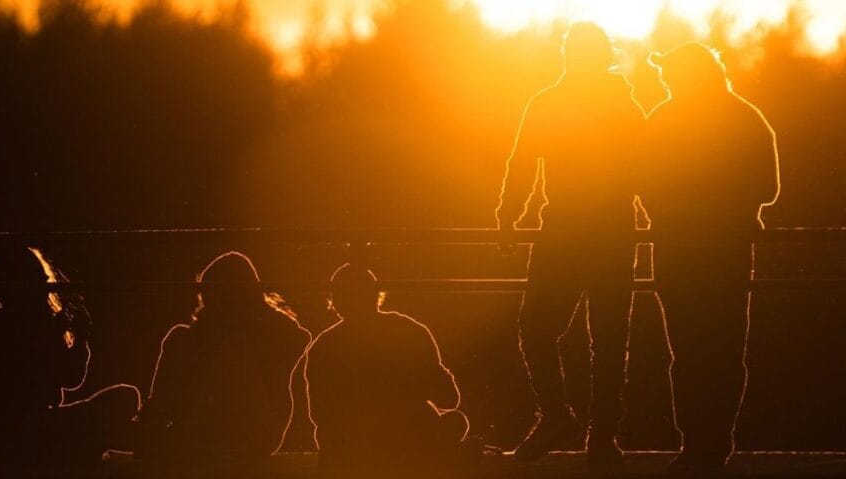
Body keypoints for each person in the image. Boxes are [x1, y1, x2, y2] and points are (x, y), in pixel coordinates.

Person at [494, 22, 645, 463]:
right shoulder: (622, 104)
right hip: (610, 231)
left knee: (539, 328)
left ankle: (563, 419)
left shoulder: (550, 102)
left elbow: (522, 163)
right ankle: (599, 436)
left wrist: (508, 218)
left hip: (568, 231)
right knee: (607, 337)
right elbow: (647, 168)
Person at [642, 42, 780, 471]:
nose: (665, 80)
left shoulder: (662, 119)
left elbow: (643, 182)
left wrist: (672, 212)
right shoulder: (746, 117)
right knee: (724, 348)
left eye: (669, 73)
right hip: (726, 251)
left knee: (687, 350)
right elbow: (768, 189)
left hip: (678, 251)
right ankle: (717, 441)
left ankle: (695, 441)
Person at [0, 246, 141, 467]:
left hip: (14, 432)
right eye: (40, 281)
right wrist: (71, 337)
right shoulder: (9, 326)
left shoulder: (11, 323)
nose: (46, 287)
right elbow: (68, 379)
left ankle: (88, 449)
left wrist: (74, 337)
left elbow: (70, 378)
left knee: (122, 399)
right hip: (24, 431)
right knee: (120, 401)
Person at [141, 251, 311, 465]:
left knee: (227, 347)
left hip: (238, 433)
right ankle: (156, 432)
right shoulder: (280, 331)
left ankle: (157, 433)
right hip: (251, 435)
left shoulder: (266, 333)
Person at [305, 263, 473, 471]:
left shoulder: (323, 346)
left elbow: (318, 414)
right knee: (456, 421)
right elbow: (449, 398)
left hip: (349, 452)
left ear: (336, 301)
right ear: (376, 294)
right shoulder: (409, 330)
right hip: (406, 445)